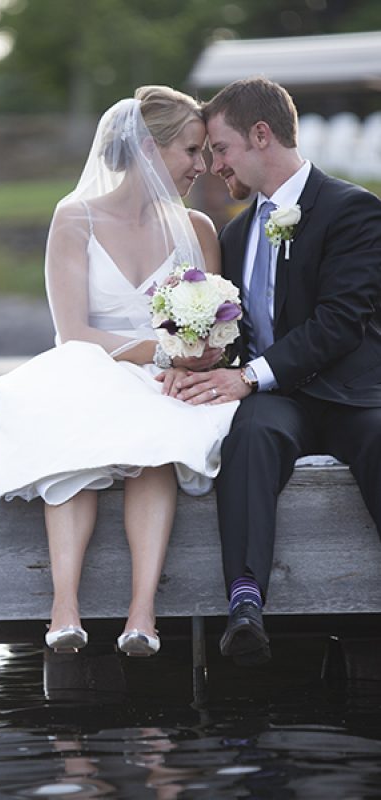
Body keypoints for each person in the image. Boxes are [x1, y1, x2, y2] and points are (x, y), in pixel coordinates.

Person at [0, 86, 239, 657]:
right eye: (192, 150)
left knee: (159, 440)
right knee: (73, 432)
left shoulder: (198, 229)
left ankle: (142, 613)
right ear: (149, 149)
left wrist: (194, 362)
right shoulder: (74, 217)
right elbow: (74, 331)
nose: (202, 166)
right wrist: (159, 352)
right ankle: (64, 609)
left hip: (163, 384)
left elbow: (213, 338)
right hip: (92, 366)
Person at [174, 77, 381, 666]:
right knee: (252, 433)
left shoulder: (353, 209)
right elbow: (238, 335)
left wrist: (247, 376)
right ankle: (244, 603)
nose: (213, 166)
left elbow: (341, 322)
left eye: (220, 149)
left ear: (261, 136)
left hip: (352, 392)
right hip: (277, 399)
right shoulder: (236, 234)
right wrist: (198, 360)